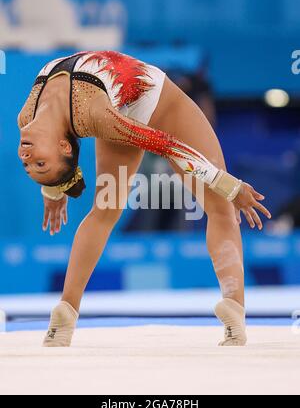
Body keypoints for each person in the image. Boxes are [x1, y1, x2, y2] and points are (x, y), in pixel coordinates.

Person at [18, 51, 271, 347]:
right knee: (219, 207)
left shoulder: (26, 118)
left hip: (134, 106)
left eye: (31, 165)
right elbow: (168, 146)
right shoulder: (96, 117)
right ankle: (66, 311)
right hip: (150, 108)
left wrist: (53, 188)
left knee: (107, 212)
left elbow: (166, 145)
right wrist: (229, 184)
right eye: (38, 164)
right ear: (63, 145)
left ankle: (232, 307)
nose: (25, 157)